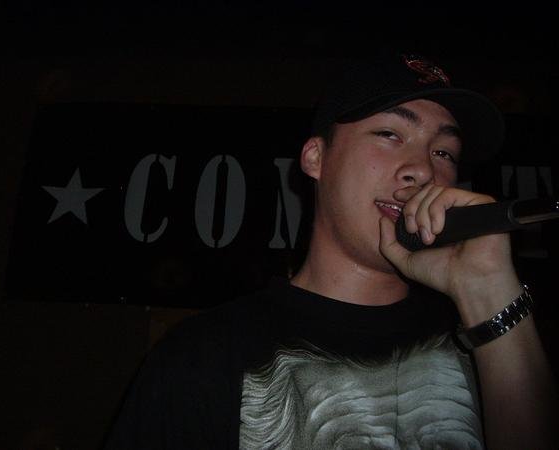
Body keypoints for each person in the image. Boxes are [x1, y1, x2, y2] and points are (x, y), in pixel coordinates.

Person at [104, 53, 557, 449]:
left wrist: (488, 291)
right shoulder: (203, 356)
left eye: (444, 153)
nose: (422, 170)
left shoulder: (495, 343)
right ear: (315, 158)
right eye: (389, 134)